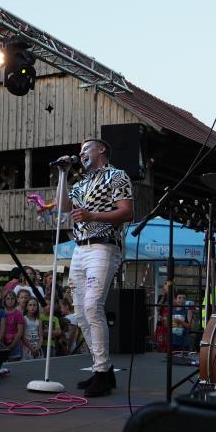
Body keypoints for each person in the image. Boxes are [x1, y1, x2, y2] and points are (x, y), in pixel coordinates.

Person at [56, 138, 133, 397]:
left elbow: (127, 212)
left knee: (92, 306)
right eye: (79, 151)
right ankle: (104, 369)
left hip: (103, 245)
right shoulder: (81, 183)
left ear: (101, 149)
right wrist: (63, 175)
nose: (81, 153)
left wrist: (92, 216)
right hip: (80, 248)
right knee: (80, 311)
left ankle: (101, 372)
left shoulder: (117, 176)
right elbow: (64, 207)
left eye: (86, 149)